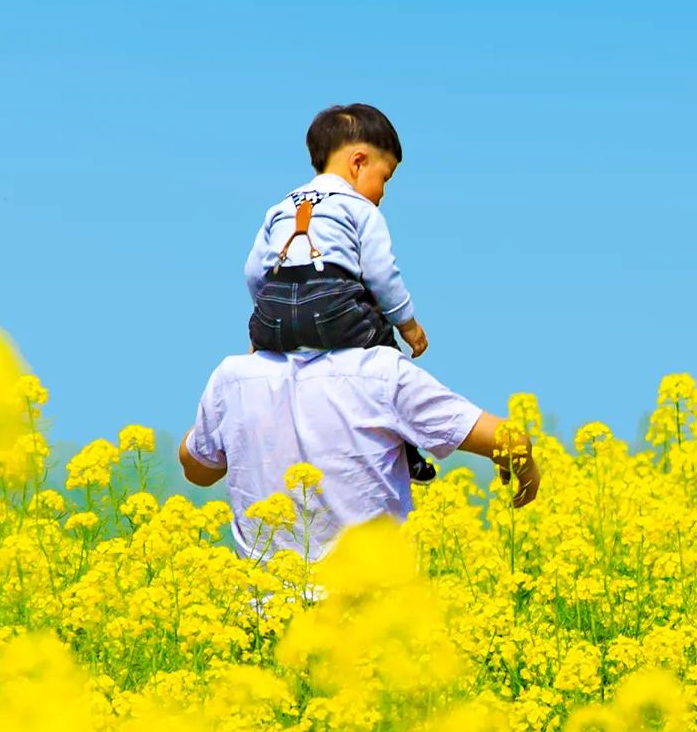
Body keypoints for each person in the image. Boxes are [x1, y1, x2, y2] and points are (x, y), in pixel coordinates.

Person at [178, 343, 539, 562]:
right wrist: (522, 473)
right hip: (373, 619)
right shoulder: (381, 372)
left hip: (267, 622)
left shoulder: (235, 378)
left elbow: (198, 469)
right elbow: (511, 441)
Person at [244, 101, 435, 482]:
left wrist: (266, 325)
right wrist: (407, 324)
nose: (382, 193)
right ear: (358, 162)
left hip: (275, 310)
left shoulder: (279, 208)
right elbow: (382, 274)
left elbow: (253, 272)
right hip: (331, 307)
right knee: (382, 349)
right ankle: (407, 450)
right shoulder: (361, 209)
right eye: (386, 178)